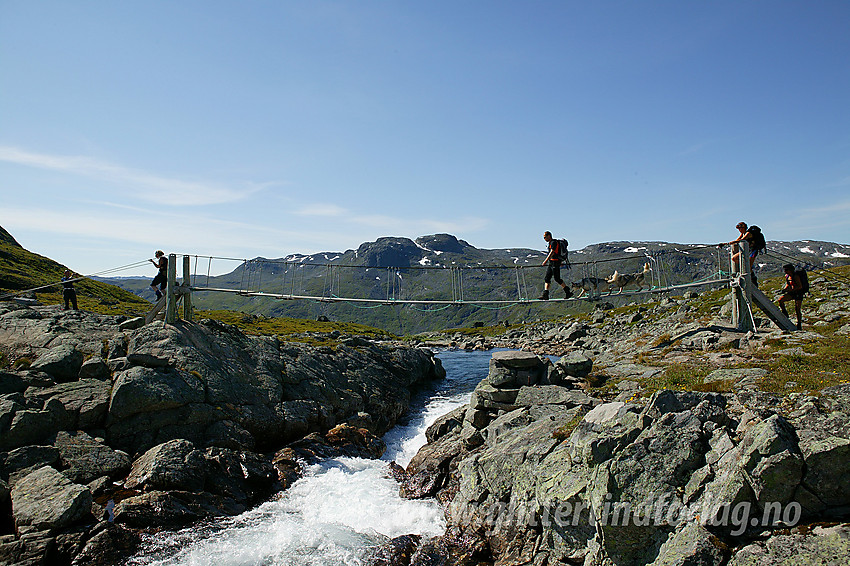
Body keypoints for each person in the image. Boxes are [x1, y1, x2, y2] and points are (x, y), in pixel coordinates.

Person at [538, 231, 571, 300]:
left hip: (555, 262)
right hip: (552, 262)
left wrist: (545, 261)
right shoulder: (552, 242)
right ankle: (545, 294)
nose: (544, 239)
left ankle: (567, 291)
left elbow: (552, 252)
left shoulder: (553, 242)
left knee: (557, 278)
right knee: (547, 278)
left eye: (545, 237)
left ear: (549, 236)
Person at [778, 263, 804, 331]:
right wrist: (785, 290)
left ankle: (799, 324)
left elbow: (800, 286)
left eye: (786, 270)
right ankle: (784, 312)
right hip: (792, 292)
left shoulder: (796, 276)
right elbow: (788, 284)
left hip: (798, 293)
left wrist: (791, 290)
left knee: (797, 309)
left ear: (791, 270)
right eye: (785, 270)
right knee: (780, 300)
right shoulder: (787, 276)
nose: (785, 271)